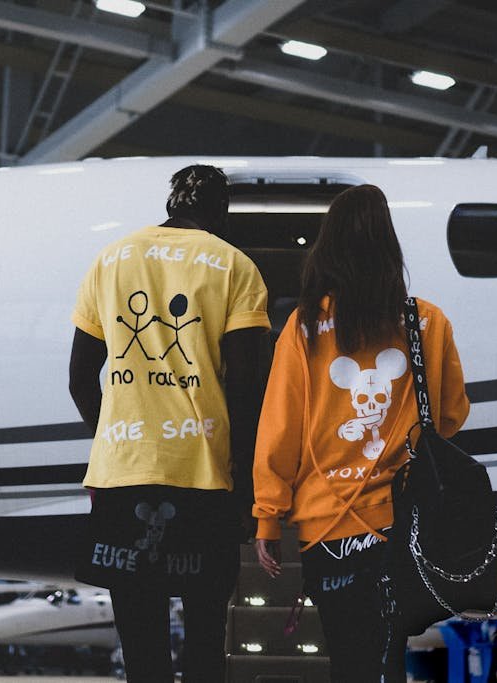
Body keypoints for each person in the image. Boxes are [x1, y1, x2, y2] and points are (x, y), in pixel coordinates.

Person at [252, 184, 470, 682]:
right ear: (388, 247)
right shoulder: (425, 321)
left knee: (347, 662)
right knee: (387, 657)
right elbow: (452, 416)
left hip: (325, 531)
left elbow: (280, 429)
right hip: (402, 526)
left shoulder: (304, 328)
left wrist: (267, 518)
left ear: (328, 250)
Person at [69, 165, 270, 682]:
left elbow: (78, 377)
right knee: (205, 635)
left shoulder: (110, 259)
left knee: (139, 638)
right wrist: (247, 484)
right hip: (203, 474)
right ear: (220, 208)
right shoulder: (235, 266)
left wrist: (116, 431)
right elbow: (249, 390)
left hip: (122, 473)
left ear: (173, 201)